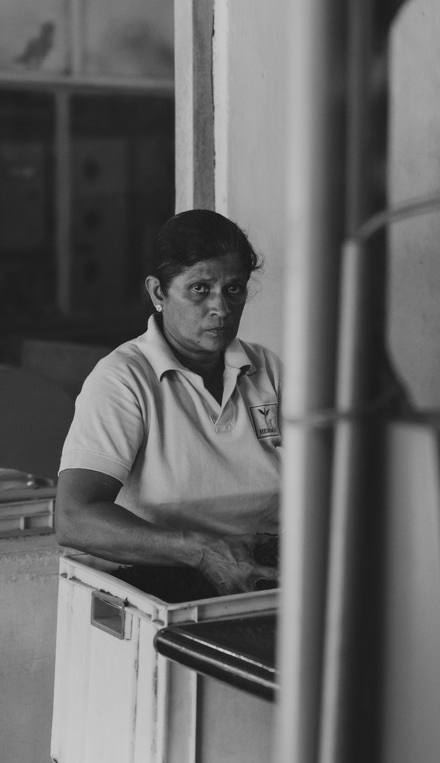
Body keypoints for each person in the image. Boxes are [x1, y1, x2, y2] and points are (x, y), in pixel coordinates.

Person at [55, 209, 282, 595]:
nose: (221, 308)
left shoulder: (267, 369)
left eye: (234, 289)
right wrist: (201, 552)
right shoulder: (123, 379)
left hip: (263, 569)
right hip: (159, 580)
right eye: (200, 289)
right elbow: (74, 519)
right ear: (158, 292)